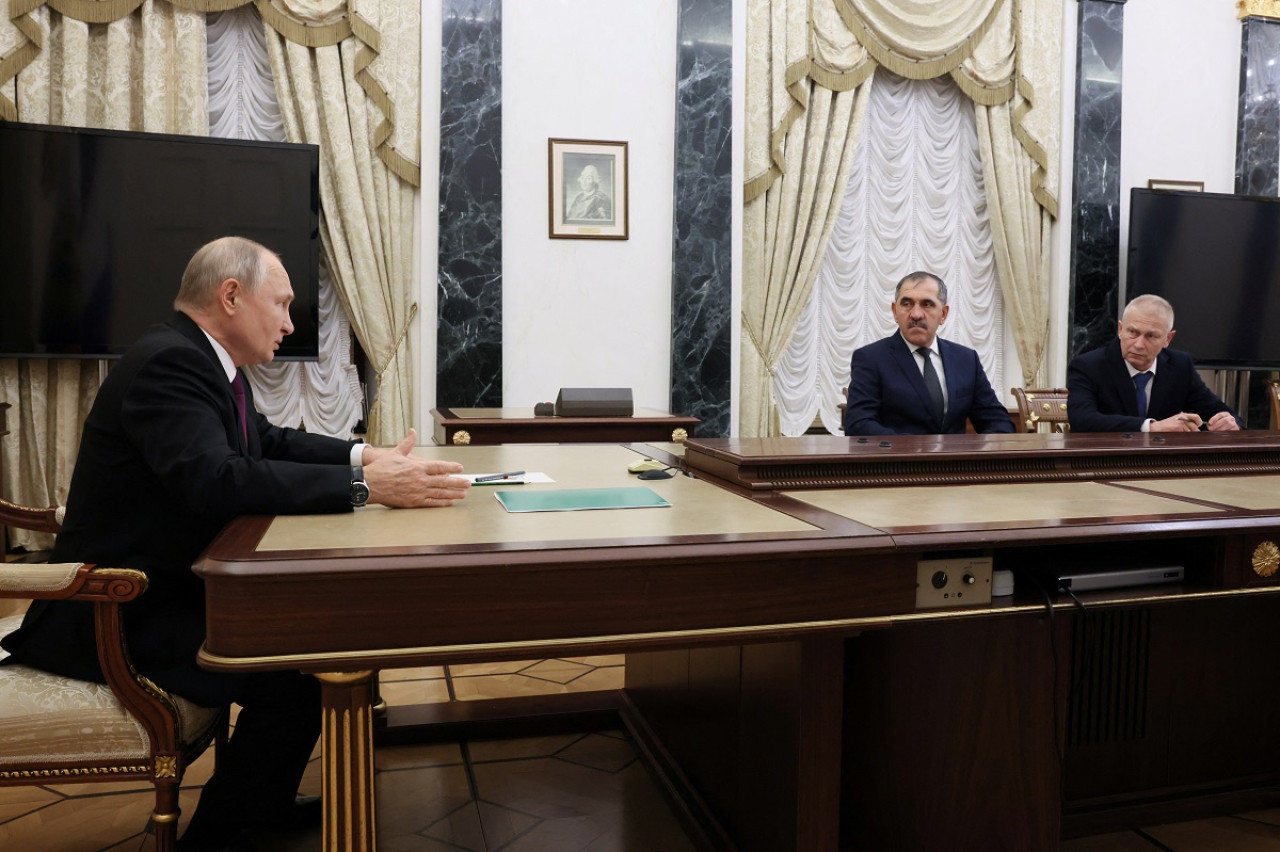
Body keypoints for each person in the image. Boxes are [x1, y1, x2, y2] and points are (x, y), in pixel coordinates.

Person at [0, 236, 471, 851]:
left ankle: (257, 808)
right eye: (281, 304)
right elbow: (216, 480)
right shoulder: (172, 363)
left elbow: (266, 442)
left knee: (303, 650)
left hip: (162, 590)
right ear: (231, 296)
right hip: (115, 612)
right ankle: (227, 833)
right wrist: (366, 487)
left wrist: (365, 455)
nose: (289, 322)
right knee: (296, 669)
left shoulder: (200, 358)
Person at [843, 271, 1014, 436]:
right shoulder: (871, 359)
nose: (916, 314)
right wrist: (915, 450)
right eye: (907, 304)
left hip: (957, 464)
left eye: (927, 304)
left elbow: (997, 421)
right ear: (895, 311)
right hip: (899, 463)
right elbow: (859, 424)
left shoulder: (966, 360)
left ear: (943, 314)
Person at [1067, 294, 1242, 433]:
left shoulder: (1180, 365)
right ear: (1120, 329)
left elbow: (1218, 411)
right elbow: (1082, 419)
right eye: (1133, 332)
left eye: (1151, 336)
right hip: (1105, 462)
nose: (1139, 344)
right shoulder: (1088, 366)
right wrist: (1151, 427)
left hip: (1163, 466)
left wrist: (1229, 422)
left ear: (1168, 338)